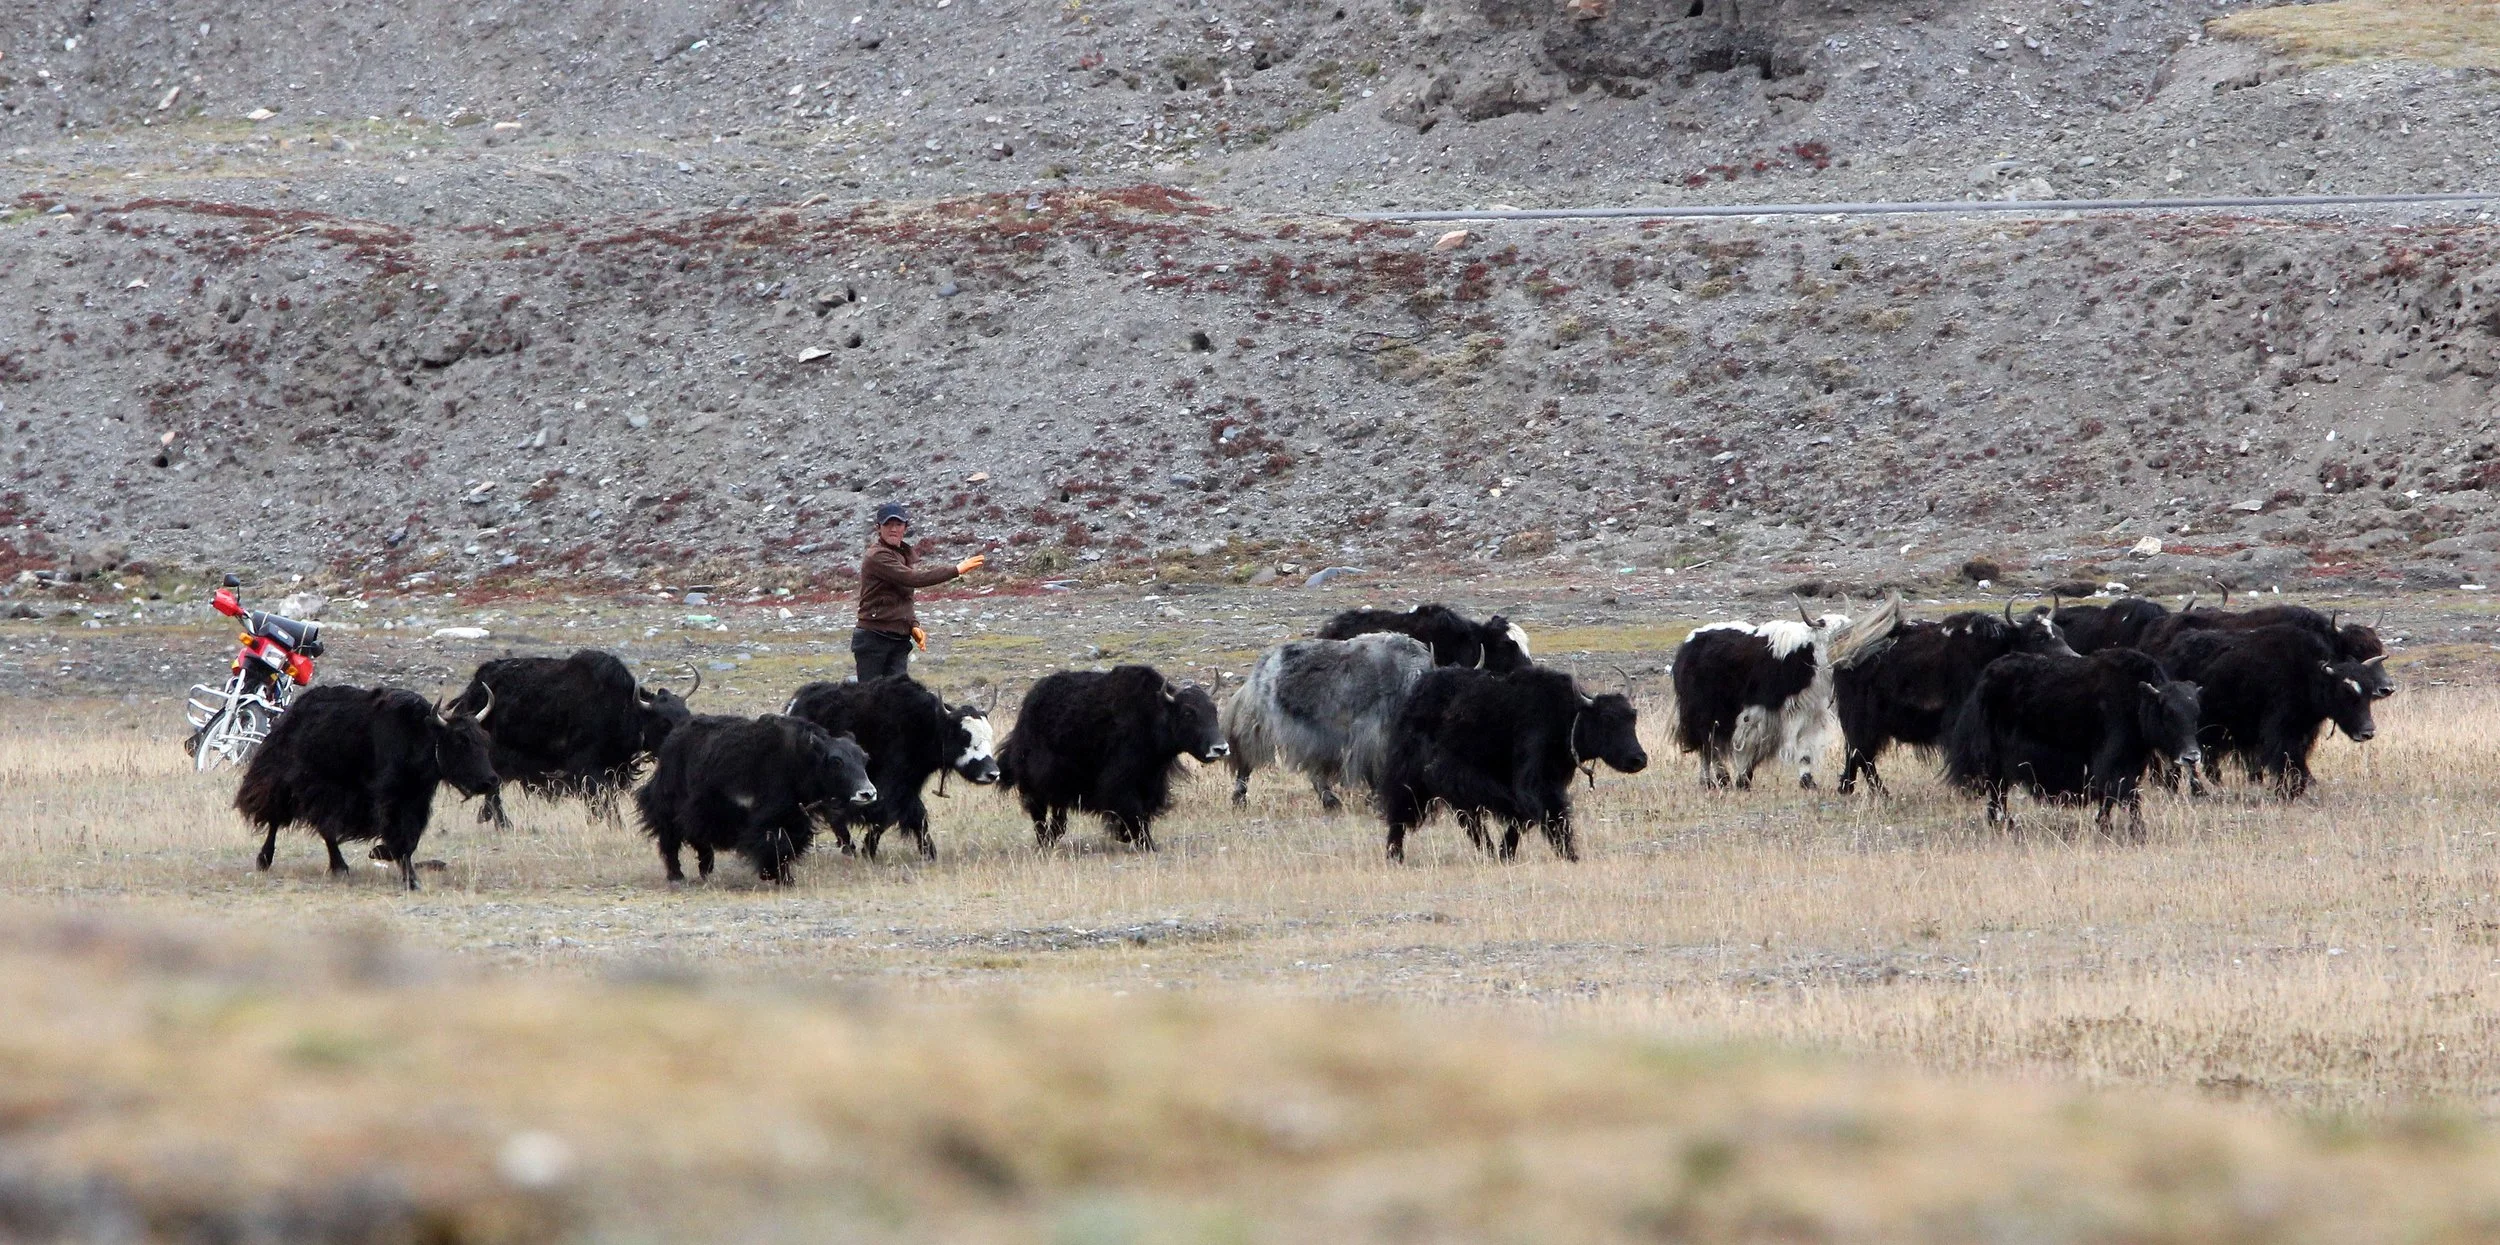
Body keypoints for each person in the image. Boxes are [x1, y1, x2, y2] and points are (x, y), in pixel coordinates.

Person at [854, 502, 984, 682]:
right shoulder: (877, 555)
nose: (893, 529)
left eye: (898, 524)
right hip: (874, 638)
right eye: (888, 524)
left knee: (898, 698)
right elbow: (913, 578)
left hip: (898, 639)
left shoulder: (901, 555)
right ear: (878, 528)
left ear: (905, 528)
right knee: (870, 699)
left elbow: (904, 596)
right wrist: (956, 570)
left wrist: (913, 624)